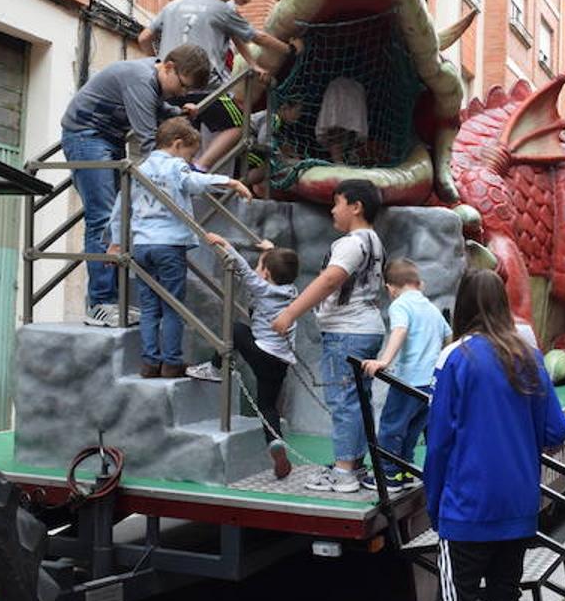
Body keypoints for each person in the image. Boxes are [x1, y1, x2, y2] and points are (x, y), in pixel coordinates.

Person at [418, 269, 565, 601]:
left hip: (466, 508)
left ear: (463, 305)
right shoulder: (528, 356)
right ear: (503, 304)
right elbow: (556, 430)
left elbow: (439, 441)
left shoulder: (455, 358)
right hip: (518, 508)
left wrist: (434, 505)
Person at [61, 45, 211, 327]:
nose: (182, 93)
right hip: (86, 137)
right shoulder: (140, 79)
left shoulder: (151, 81)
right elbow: (148, 142)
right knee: (103, 218)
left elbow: (156, 107)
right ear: (167, 67)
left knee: (118, 219)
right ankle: (100, 303)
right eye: (182, 86)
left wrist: (177, 111)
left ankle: (112, 302)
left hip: (108, 138)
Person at [106, 119, 252, 377]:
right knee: (172, 305)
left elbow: (120, 208)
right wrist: (229, 182)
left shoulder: (137, 168)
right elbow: (194, 182)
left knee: (150, 306)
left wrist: (116, 242)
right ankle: (171, 362)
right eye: (191, 154)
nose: (190, 160)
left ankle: (150, 362)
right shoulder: (175, 167)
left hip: (142, 246)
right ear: (177, 145)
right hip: (169, 244)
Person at [273, 179, 386, 494]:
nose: (332, 211)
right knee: (356, 400)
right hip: (365, 329)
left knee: (344, 401)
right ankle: (353, 463)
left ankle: (344, 471)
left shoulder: (351, 243)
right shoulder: (374, 241)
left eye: (336, 203)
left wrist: (289, 313)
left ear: (356, 206)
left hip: (347, 332)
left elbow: (329, 280)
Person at [138, 0, 290, 172]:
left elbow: (144, 37)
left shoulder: (173, 5)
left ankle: (171, 176)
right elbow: (258, 38)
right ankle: (200, 167)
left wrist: (157, 65)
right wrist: (290, 51)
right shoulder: (222, 9)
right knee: (239, 126)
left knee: (179, 138)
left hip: (169, 89)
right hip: (206, 87)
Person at [186, 232, 300, 477]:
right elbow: (275, 266)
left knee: (237, 329)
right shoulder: (292, 291)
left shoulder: (262, 289)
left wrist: (226, 243)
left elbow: (243, 269)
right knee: (268, 406)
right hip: (281, 361)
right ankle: (275, 443)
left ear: (267, 274)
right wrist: (270, 250)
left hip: (263, 354)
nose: (258, 269)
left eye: (261, 266)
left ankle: (216, 367)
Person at [360, 259, 451, 492]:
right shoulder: (431, 308)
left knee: (391, 426)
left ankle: (389, 475)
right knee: (411, 429)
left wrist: (384, 360)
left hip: (409, 381)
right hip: (430, 385)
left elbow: (400, 329)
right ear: (419, 283)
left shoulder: (400, 305)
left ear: (390, 288)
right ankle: (405, 470)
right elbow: (449, 337)